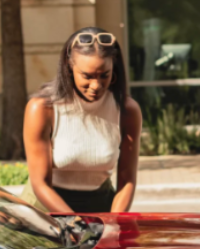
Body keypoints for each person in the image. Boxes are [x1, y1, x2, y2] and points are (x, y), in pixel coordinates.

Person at [20, 27, 142, 213]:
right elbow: (40, 183)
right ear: (69, 67)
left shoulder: (127, 111)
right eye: (87, 76)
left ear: (114, 68)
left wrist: (115, 222)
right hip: (45, 209)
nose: (96, 85)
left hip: (100, 207)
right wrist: (74, 222)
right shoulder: (42, 109)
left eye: (104, 75)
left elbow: (127, 180)